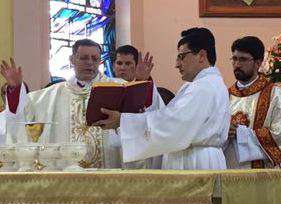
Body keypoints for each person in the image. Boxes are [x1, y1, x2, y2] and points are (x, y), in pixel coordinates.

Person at [0, 39, 162, 168]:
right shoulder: (53, 94)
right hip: (68, 176)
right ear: (72, 60)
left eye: (94, 58)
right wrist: (15, 89)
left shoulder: (119, 87)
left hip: (111, 171)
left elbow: (147, 114)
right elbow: (23, 112)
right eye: (84, 58)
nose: (89, 63)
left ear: (100, 61)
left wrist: (142, 83)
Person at [96, 27, 230, 170]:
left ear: (202, 56)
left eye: (181, 56)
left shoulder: (204, 86)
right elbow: (168, 117)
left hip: (195, 162)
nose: (176, 64)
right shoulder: (202, 84)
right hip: (193, 156)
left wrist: (122, 121)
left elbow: (172, 124)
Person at [225, 36, 281, 169]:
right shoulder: (225, 96)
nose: (237, 64)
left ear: (258, 62)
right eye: (234, 59)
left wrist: (241, 133)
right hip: (229, 170)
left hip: (262, 174)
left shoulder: (274, 95)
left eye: (243, 59)